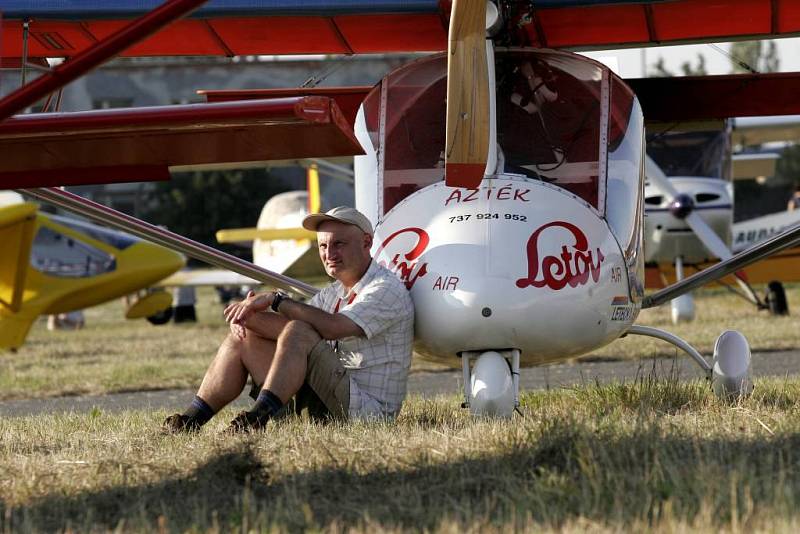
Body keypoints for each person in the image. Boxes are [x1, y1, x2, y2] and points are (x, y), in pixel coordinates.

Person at [162, 206, 415, 433]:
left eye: (339, 244)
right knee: (244, 338)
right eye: (323, 246)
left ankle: (256, 419)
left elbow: (330, 328)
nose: (329, 253)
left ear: (366, 242)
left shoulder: (384, 288)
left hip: (368, 416)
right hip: (329, 402)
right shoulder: (333, 293)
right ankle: (189, 422)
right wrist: (246, 315)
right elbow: (295, 333)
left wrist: (274, 299)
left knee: (298, 331)